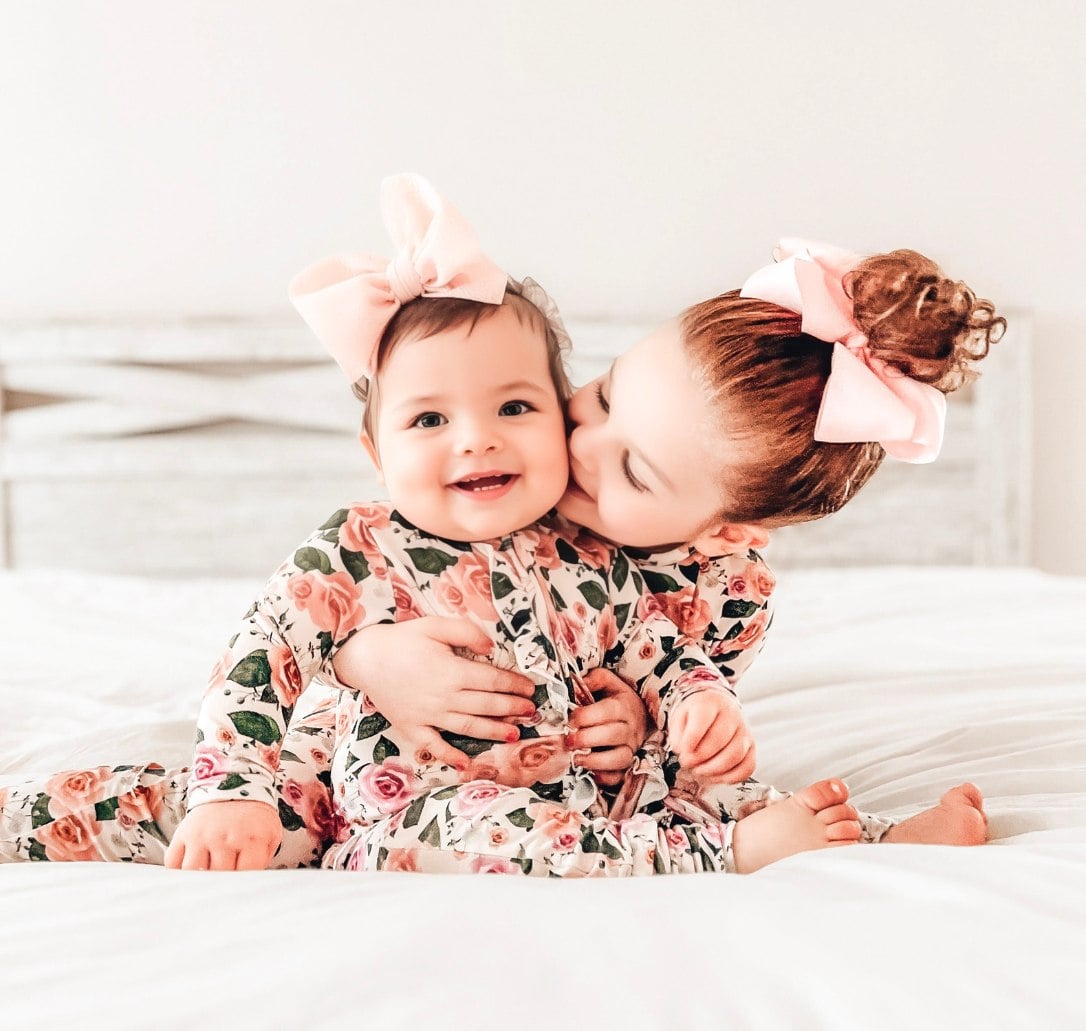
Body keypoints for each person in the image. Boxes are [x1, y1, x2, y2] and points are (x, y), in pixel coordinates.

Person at [0, 178, 996, 872]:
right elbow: (265, 653)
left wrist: (664, 720)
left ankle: (847, 841)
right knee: (157, 804)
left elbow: (659, 654)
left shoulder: (614, 558)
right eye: (596, 400)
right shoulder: (365, 540)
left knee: (690, 801)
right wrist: (345, 675)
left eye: (521, 406)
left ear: (727, 525)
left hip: (558, 796)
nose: (548, 443)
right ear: (374, 448)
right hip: (366, 779)